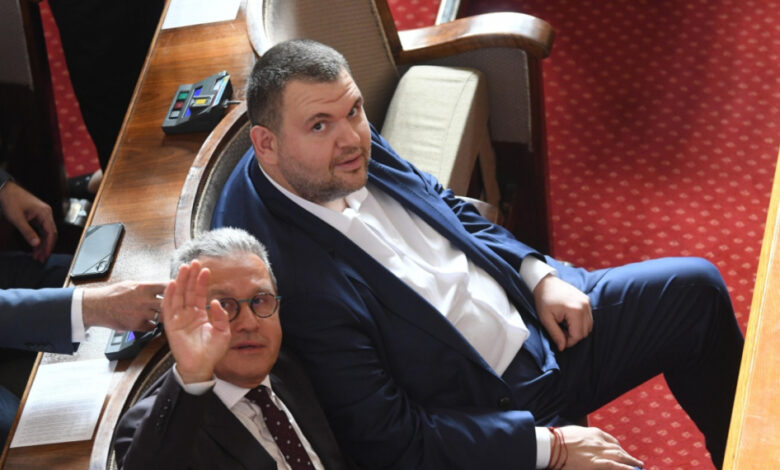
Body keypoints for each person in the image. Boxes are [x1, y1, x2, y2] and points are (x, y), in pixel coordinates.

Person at [212, 39, 744, 469]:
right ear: (266, 145)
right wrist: (553, 447)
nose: (351, 136)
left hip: (536, 321)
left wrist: (536, 276)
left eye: (354, 110)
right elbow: (392, 439)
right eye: (320, 125)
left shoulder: (339, 149)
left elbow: (443, 205)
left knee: (695, 292)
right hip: (493, 412)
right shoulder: (288, 277)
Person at [113, 227, 355, 470]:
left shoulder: (287, 365)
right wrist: (193, 375)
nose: (249, 323)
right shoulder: (152, 427)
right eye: (223, 305)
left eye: (259, 300)